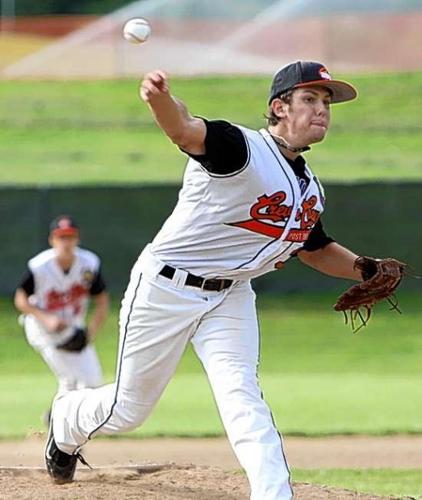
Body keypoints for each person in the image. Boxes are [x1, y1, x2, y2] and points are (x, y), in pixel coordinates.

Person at [45, 61, 363, 498]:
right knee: (128, 409)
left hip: (230, 296)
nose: (322, 109)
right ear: (279, 107)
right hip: (166, 288)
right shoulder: (241, 148)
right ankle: (67, 419)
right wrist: (160, 100)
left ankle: (274, 493)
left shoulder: (308, 188)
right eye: (309, 99)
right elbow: (185, 130)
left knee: (241, 394)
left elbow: (315, 248)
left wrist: (366, 268)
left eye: (326, 102)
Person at [15, 215, 109, 418]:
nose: (66, 242)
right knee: (70, 380)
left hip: (73, 328)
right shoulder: (40, 266)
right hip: (42, 330)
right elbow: (20, 299)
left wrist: (88, 334)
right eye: (61, 237)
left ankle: (57, 418)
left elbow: (102, 301)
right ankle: (58, 423)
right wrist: (46, 318)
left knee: (93, 383)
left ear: (77, 239)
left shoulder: (89, 264)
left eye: (70, 237)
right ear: (52, 240)